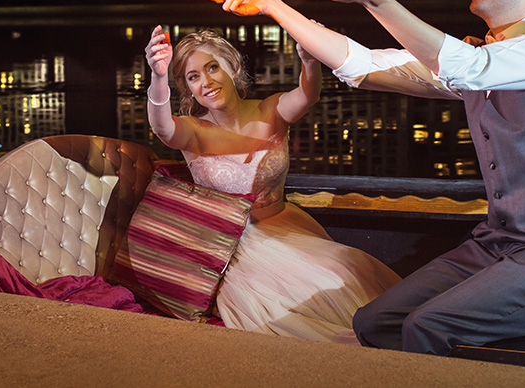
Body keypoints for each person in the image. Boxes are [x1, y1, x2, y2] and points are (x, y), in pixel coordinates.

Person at [209, 0, 525, 355]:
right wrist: (273, 5)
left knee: (427, 327)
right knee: (373, 322)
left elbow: (468, 67)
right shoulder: (486, 55)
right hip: (502, 241)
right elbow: (365, 65)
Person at [144, 27, 400, 343]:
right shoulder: (192, 131)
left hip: (286, 224)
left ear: (232, 68)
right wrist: (158, 76)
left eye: (213, 67)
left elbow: (307, 95)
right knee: (289, 298)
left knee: (348, 267)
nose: (207, 82)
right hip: (235, 245)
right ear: (189, 89)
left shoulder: (271, 110)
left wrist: (309, 60)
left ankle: (402, 339)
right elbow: (161, 127)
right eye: (194, 77)